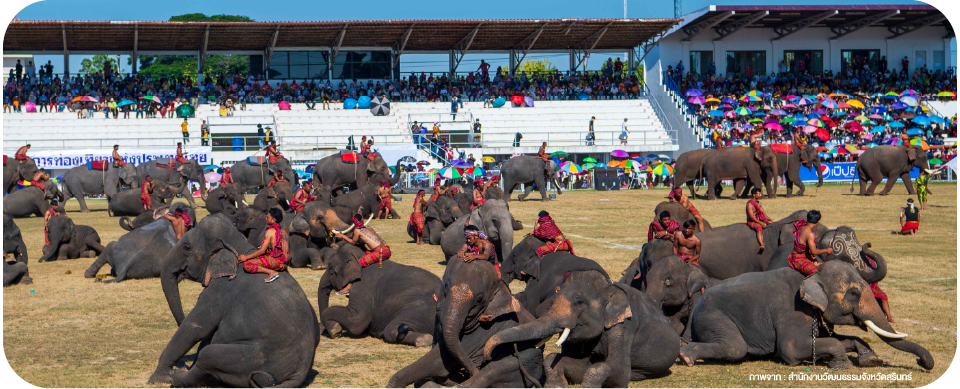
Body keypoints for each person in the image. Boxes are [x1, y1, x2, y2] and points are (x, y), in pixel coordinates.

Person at [334, 213, 391, 294]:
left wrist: (343, 236)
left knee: (358, 263)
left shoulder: (357, 230)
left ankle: (348, 288)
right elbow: (363, 242)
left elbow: (353, 242)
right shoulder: (369, 227)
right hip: (386, 249)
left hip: (379, 252)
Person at [238, 208, 288, 283]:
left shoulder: (269, 231)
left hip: (275, 262)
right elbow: (282, 250)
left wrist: (246, 257)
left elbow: (262, 251)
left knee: (247, 264)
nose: (266, 218)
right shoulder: (284, 232)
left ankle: (271, 272)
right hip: (285, 263)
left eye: (268, 217)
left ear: (273, 220)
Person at [789, 210, 834, 276]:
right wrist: (826, 250)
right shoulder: (809, 234)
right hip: (799, 260)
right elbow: (813, 251)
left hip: (799, 255)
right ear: (818, 222)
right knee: (815, 274)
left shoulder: (802, 225)